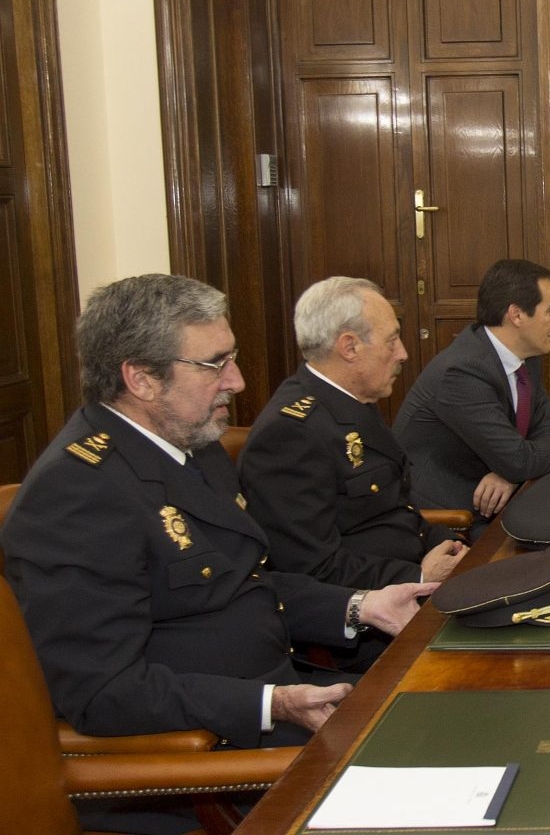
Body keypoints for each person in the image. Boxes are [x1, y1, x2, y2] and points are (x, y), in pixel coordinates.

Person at [0, 275, 434, 832]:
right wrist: (270, 704)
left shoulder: (190, 448)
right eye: (215, 363)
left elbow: (241, 587)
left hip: (282, 701)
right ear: (141, 379)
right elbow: (102, 691)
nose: (238, 380)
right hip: (205, 762)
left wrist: (358, 605)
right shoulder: (77, 493)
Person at [239, 278, 467, 661]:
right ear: (349, 346)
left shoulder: (353, 402)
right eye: (392, 340)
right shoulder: (291, 433)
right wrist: (419, 578)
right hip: (369, 626)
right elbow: (311, 566)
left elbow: (396, 511)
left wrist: (452, 548)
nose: (404, 354)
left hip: (414, 583)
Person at [395, 259, 550, 519]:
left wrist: (511, 473)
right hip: (449, 517)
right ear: (516, 315)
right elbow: (522, 457)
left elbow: (541, 427)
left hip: (495, 499)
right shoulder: (463, 371)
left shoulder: (527, 357)